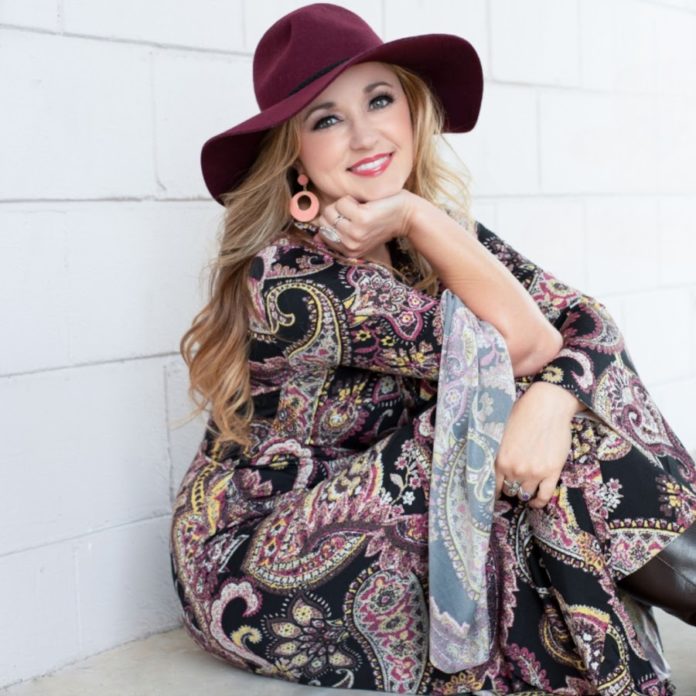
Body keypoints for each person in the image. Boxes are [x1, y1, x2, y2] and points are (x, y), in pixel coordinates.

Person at [169, 4, 696, 694]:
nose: (365, 135)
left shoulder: (432, 239)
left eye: (379, 100)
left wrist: (553, 399)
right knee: (499, 410)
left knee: (566, 398)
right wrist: (419, 214)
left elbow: (587, 320)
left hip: (401, 515)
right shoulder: (291, 275)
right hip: (265, 564)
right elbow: (526, 344)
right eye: (326, 120)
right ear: (294, 156)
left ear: (412, 111)